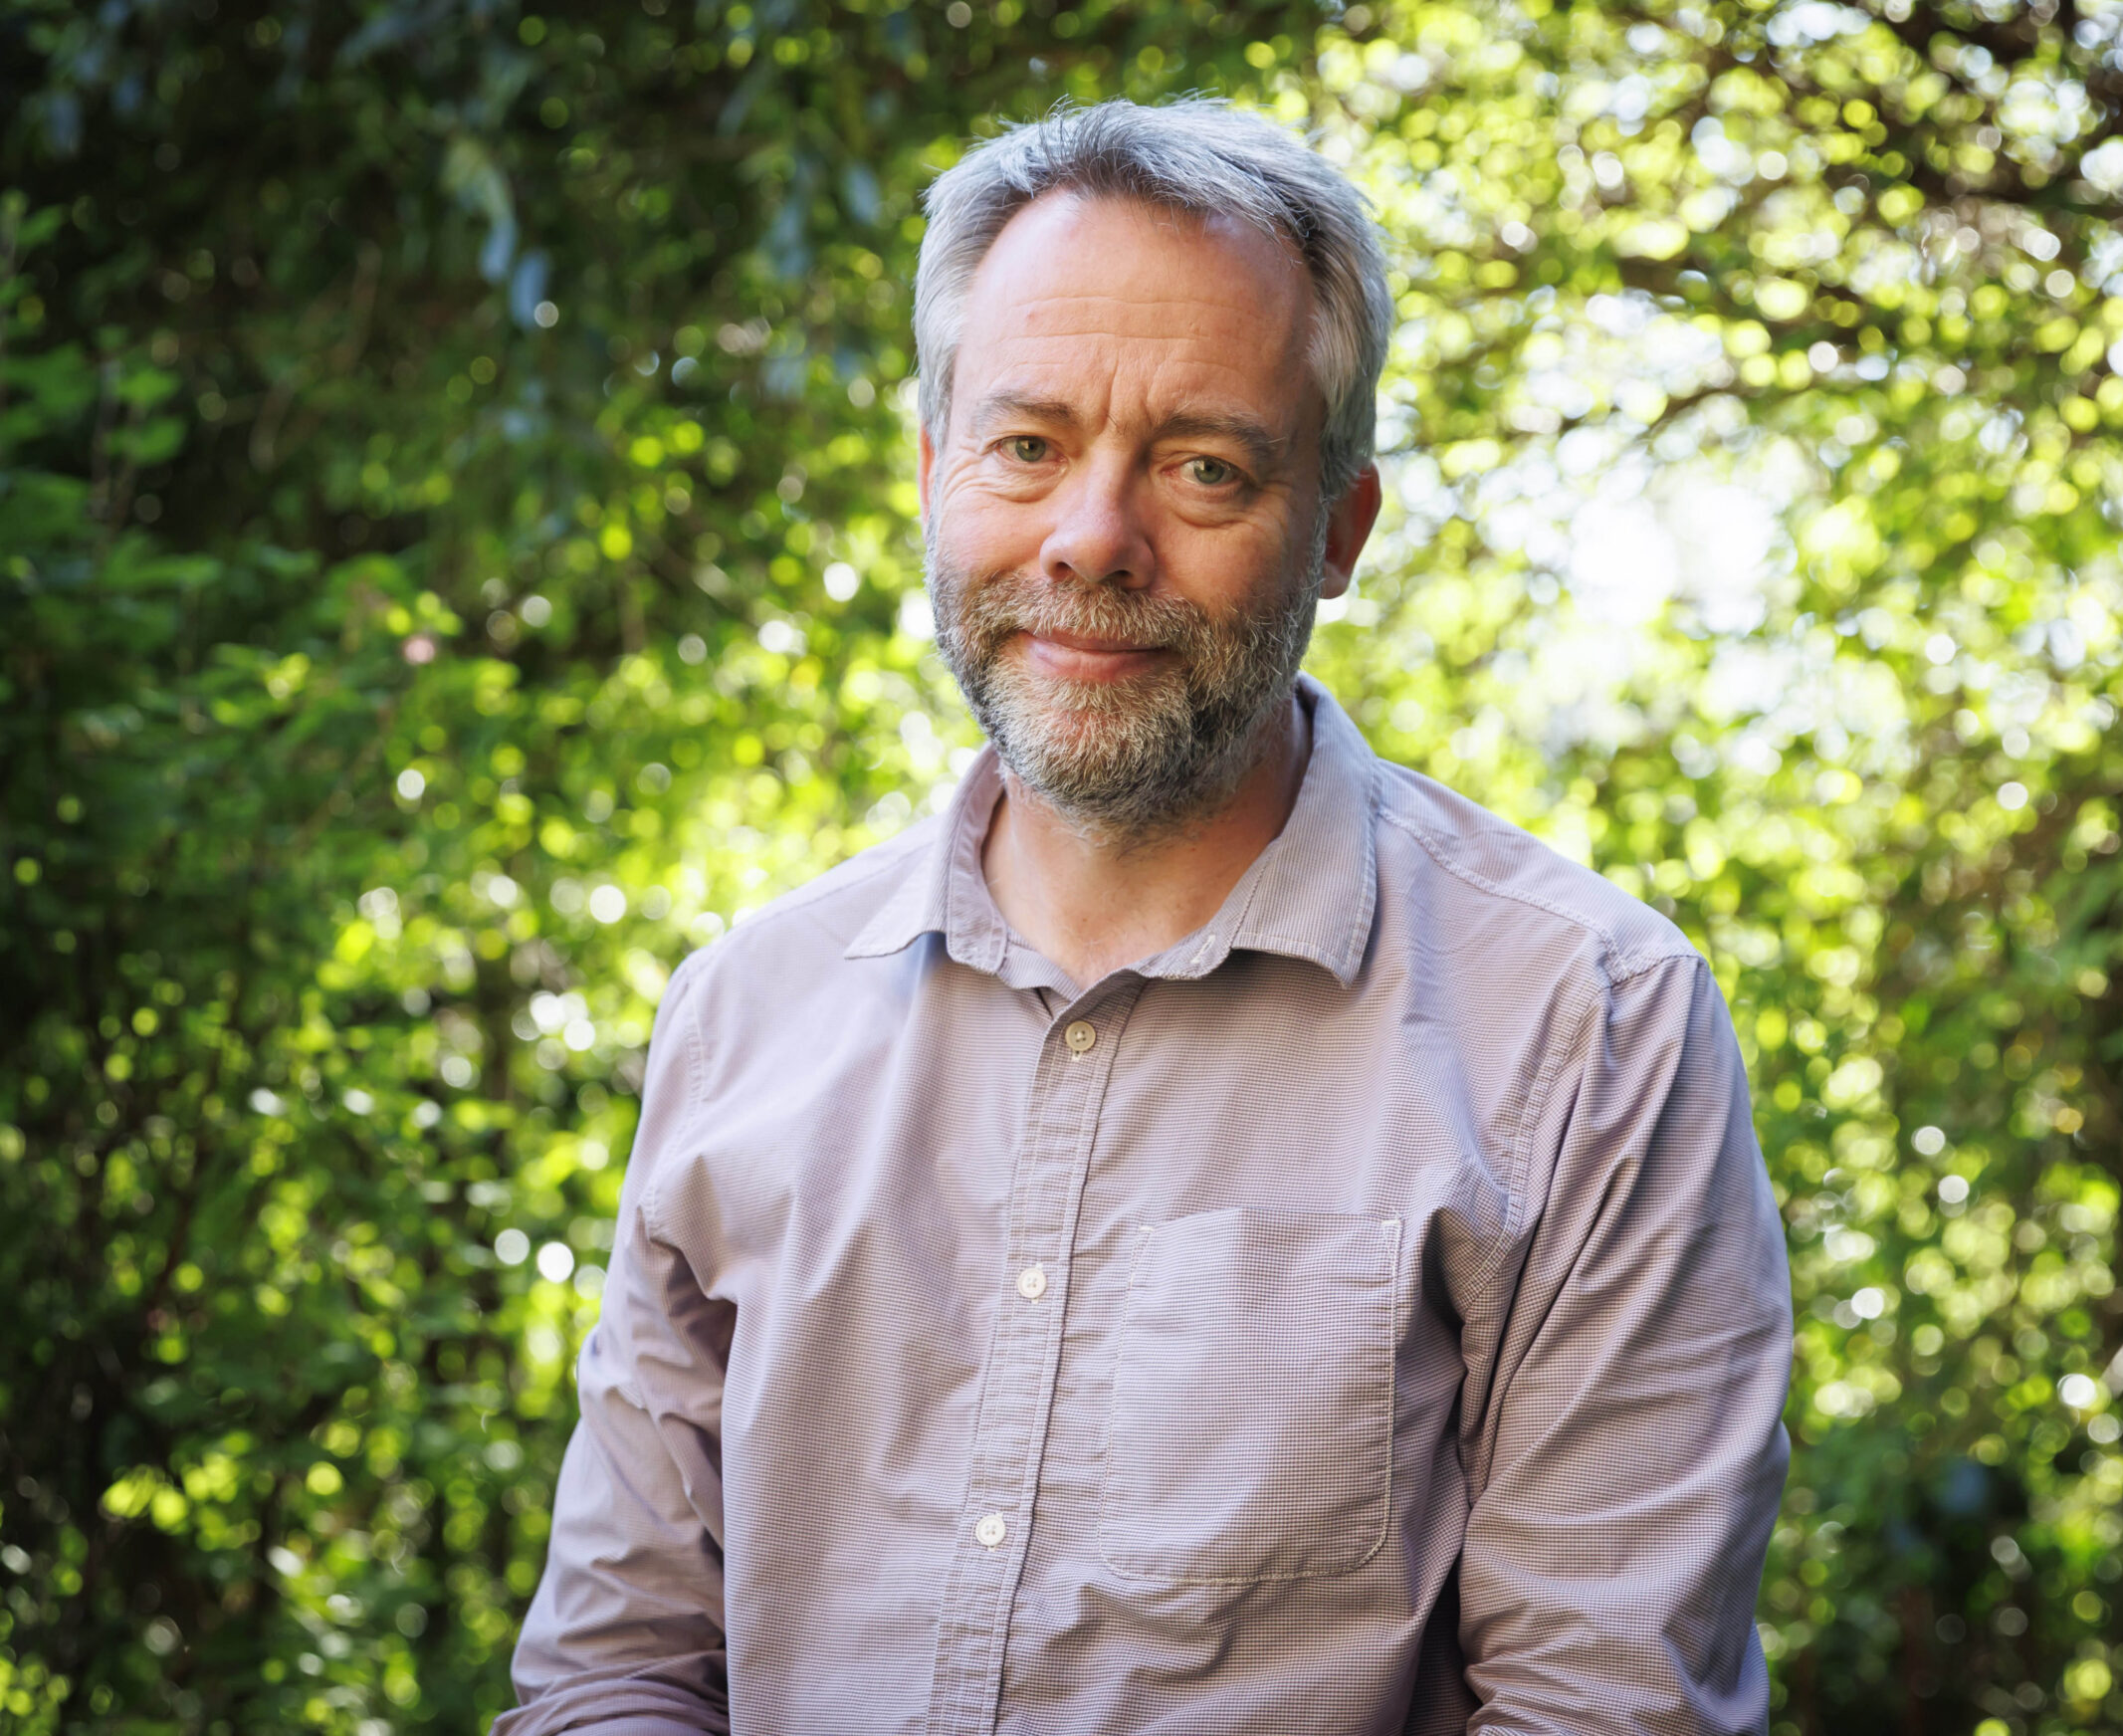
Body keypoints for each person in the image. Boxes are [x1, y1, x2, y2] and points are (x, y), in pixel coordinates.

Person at [498, 98, 1792, 1736]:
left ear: (1339, 530)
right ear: (932, 474)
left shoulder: (1590, 1031)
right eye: (1027, 445)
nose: (1092, 541)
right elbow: (617, 1671)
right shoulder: (743, 1015)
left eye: (1201, 466)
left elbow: (1609, 1713)